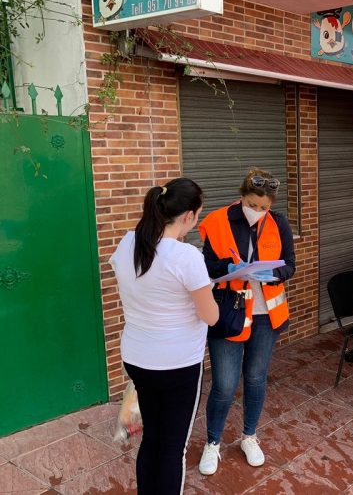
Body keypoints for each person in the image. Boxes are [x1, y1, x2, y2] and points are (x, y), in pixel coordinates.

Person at [110, 178, 219, 494]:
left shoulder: (127, 243)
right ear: (188, 216)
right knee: (173, 447)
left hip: (137, 359)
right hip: (178, 365)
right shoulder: (186, 257)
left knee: (153, 437)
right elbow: (209, 316)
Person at [198, 167, 296, 476]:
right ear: (242, 198)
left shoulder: (279, 222)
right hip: (229, 312)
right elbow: (206, 266)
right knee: (225, 385)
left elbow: (289, 265)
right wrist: (231, 267)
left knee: (255, 378)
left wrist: (271, 272)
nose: (258, 211)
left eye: (263, 207)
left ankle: (249, 436)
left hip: (267, 314)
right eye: (253, 205)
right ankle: (212, 442)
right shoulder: (217, 221)